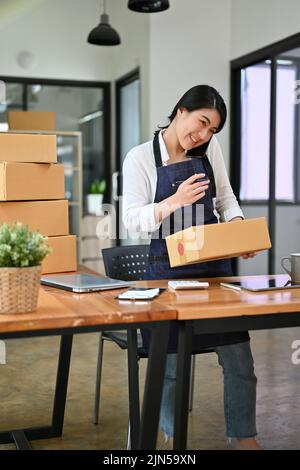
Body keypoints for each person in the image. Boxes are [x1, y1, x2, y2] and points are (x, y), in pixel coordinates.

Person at [122, 85, 261, 450]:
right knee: (167, 367)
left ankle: (244, 438)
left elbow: (225, 197)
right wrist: (174, 200)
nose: (202, 135)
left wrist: (236, 229)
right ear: (180, 110)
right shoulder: (139, 158)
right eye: (201, 123)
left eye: (212, 130)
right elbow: (132, 220)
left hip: (213, 266)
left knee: (239, 360)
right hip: (166, 267)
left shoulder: (207, 150)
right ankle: (171, 436)